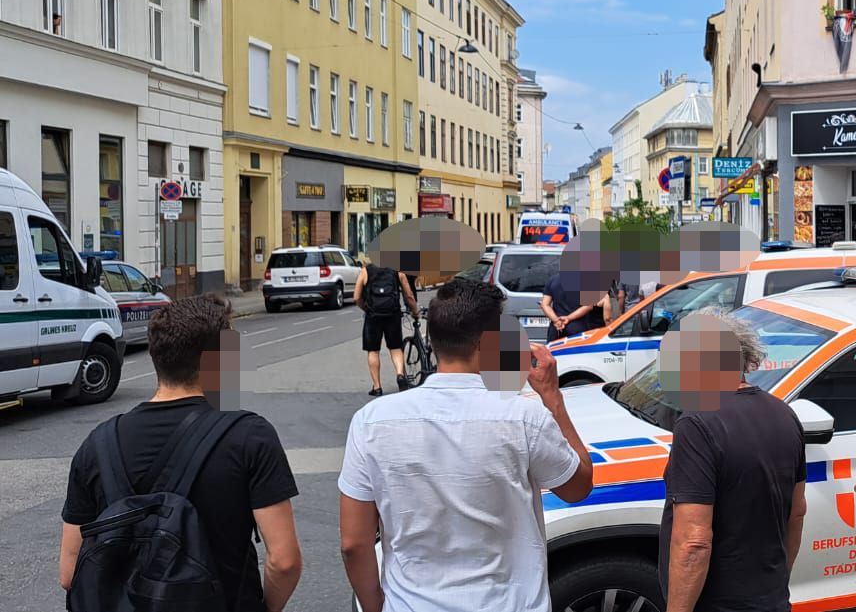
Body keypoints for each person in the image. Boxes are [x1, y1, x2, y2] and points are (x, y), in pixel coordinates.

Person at [338, 278, 594, 612]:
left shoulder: (370, 422)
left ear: (432, 340)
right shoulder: (524, 417)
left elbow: (354, 544)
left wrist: (376, 607)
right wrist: (553, 397)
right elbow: (578, 486)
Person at [59, 295, 302, 612]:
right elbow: (284, 561)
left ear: (157, 356)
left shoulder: (97, 445)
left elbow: (69, 573)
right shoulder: (249, 436)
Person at [659, 309, 807, 612]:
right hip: (772, 602)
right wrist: (773, 588)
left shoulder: (696, 425)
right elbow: (797, 512)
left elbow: (694, 541)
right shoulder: (784, 414)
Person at [354, 259, 419, 395]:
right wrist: (415, 311)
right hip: (392, 315)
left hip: (373, 316)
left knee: (373, 351)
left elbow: (356, 297)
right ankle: (400, 375)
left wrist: (365, 308)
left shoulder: (366, 271)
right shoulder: (397, 271)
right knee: (395, 348)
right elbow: (409, 295)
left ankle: (377, 387)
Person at [540, 269, 599, 342]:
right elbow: (588, 306)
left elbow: (545, 304)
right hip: (577, 328)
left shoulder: (552, 280)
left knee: (552, 352)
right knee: (576, 352)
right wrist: (568, 318)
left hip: (556, 328)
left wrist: (556, 320)